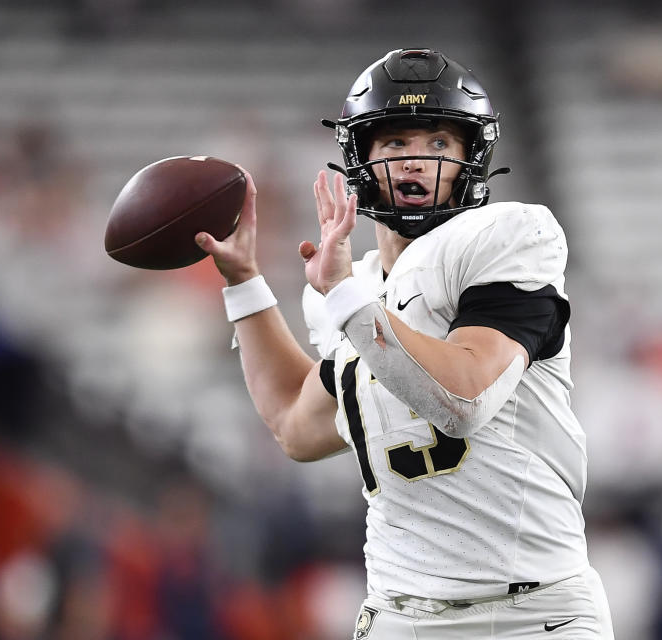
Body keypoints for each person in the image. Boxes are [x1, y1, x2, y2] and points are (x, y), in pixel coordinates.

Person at [195, 48, 614, 639]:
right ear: (359, 159)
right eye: (394, 144)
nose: (416, 160)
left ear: (473, 158)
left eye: (439, 144)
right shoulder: (350, 288)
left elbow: (462, 399)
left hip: (533, 615)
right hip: (398, 613)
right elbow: (296, 423)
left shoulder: (506, 239)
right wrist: (244, 284)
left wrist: (346, 300)